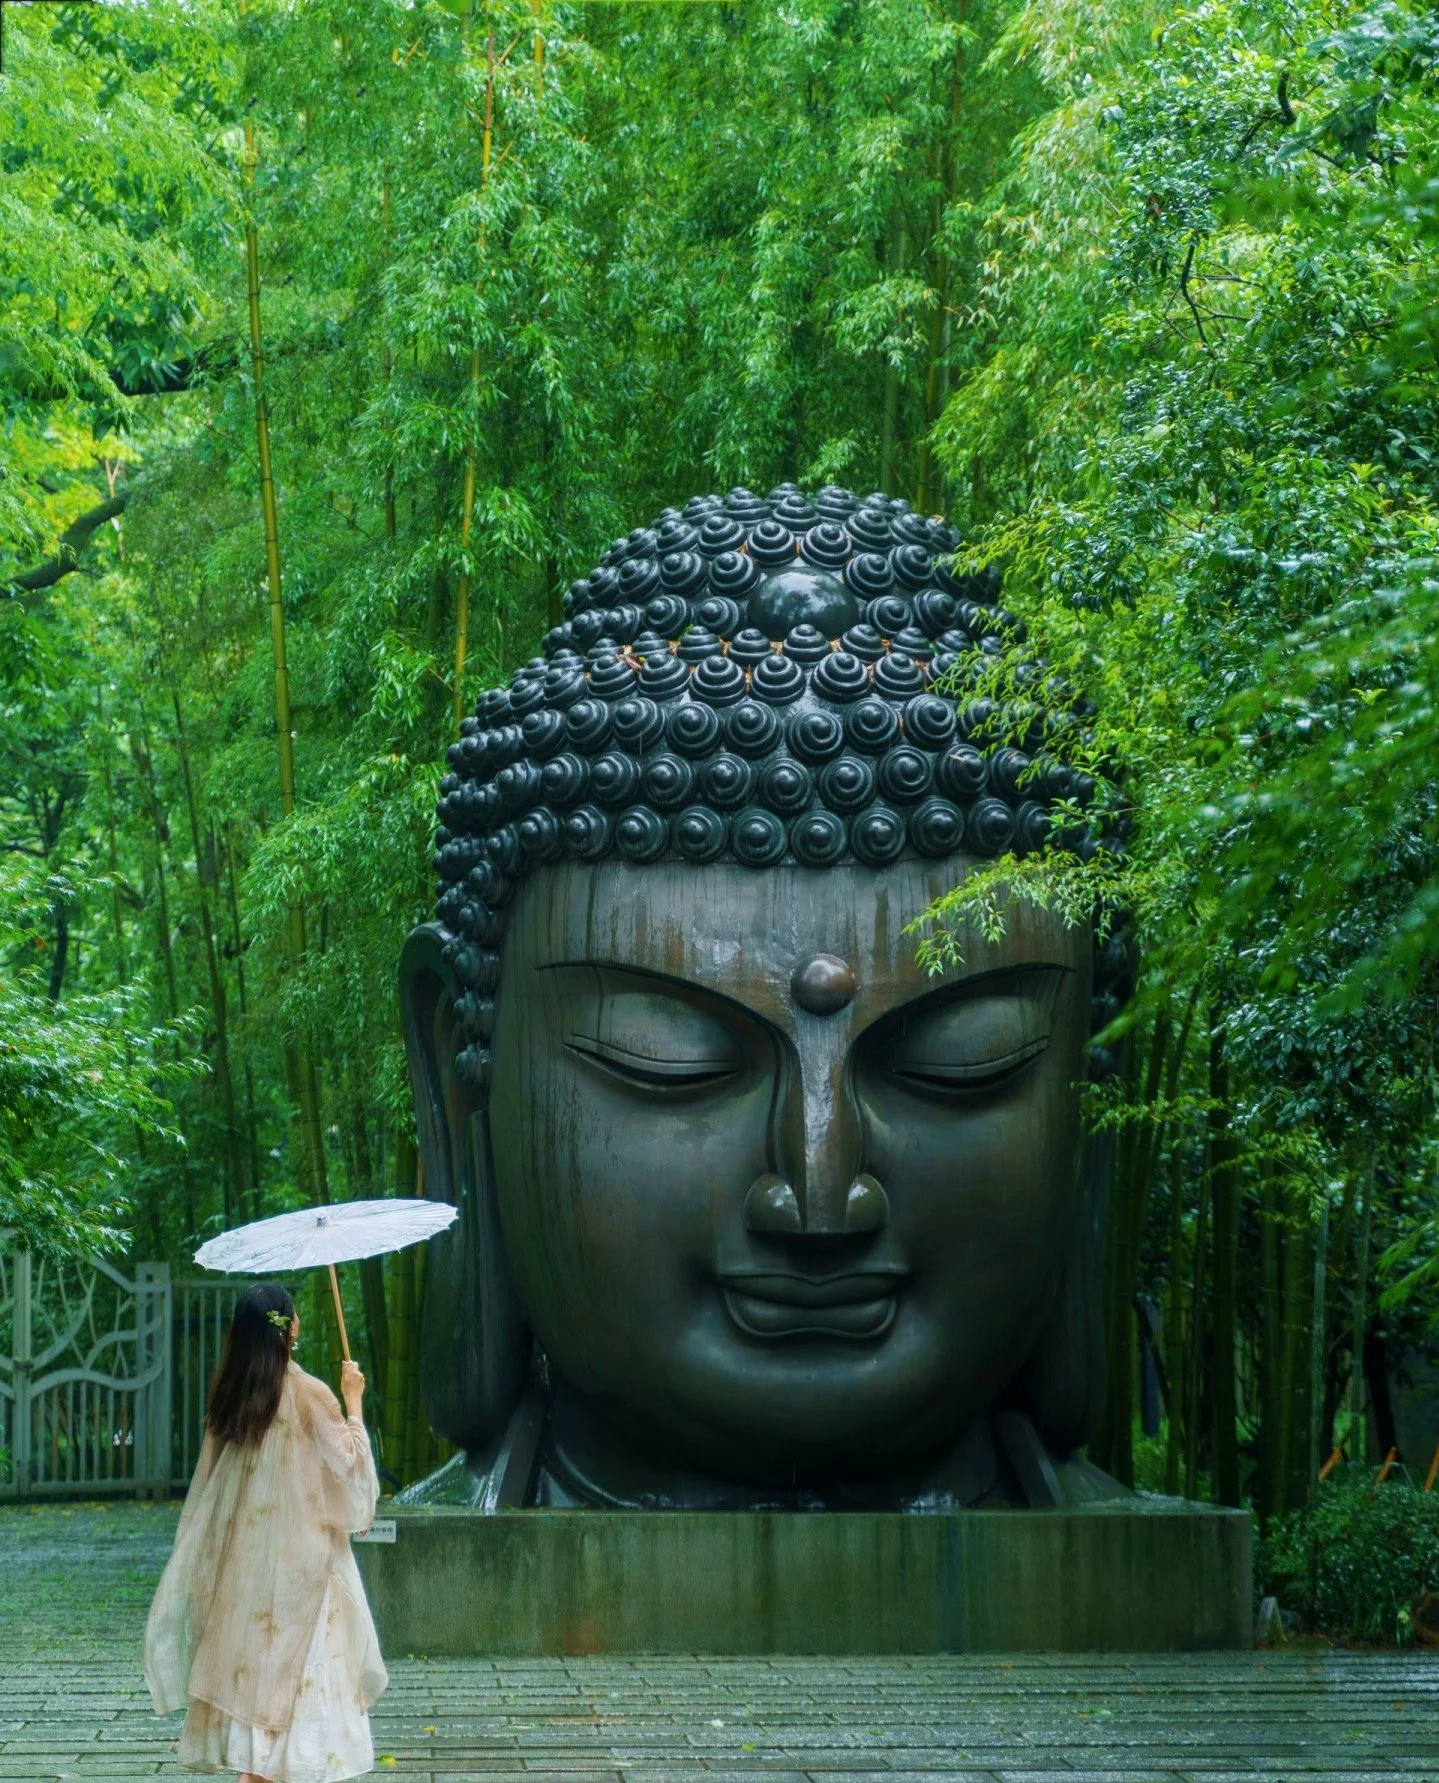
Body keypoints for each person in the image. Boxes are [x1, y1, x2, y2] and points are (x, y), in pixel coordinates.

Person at [144, 1281, 388, 1782]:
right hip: (305, 1574)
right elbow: (356, 1481)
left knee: (257, 1698)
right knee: (296, 1709)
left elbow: (210, 1491)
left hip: (245, 1573)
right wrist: (354, 1401)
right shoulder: (310, 1394)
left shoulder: (231, 1398)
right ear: (289, 1328)